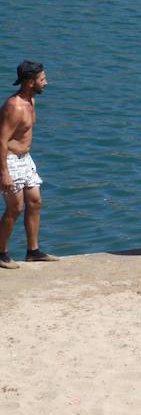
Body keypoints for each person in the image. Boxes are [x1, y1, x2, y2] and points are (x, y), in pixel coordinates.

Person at [0, 61, 58, 268]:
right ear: (30, 82)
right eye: (42, 79)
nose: (46, 82)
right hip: (8, 159)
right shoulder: (14, 106)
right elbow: (1, 139)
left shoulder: (31, 100)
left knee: (35, 202)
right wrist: (3, 173)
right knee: (15, 208)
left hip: (25, 159)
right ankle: (1, 252)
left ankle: (33, 251)